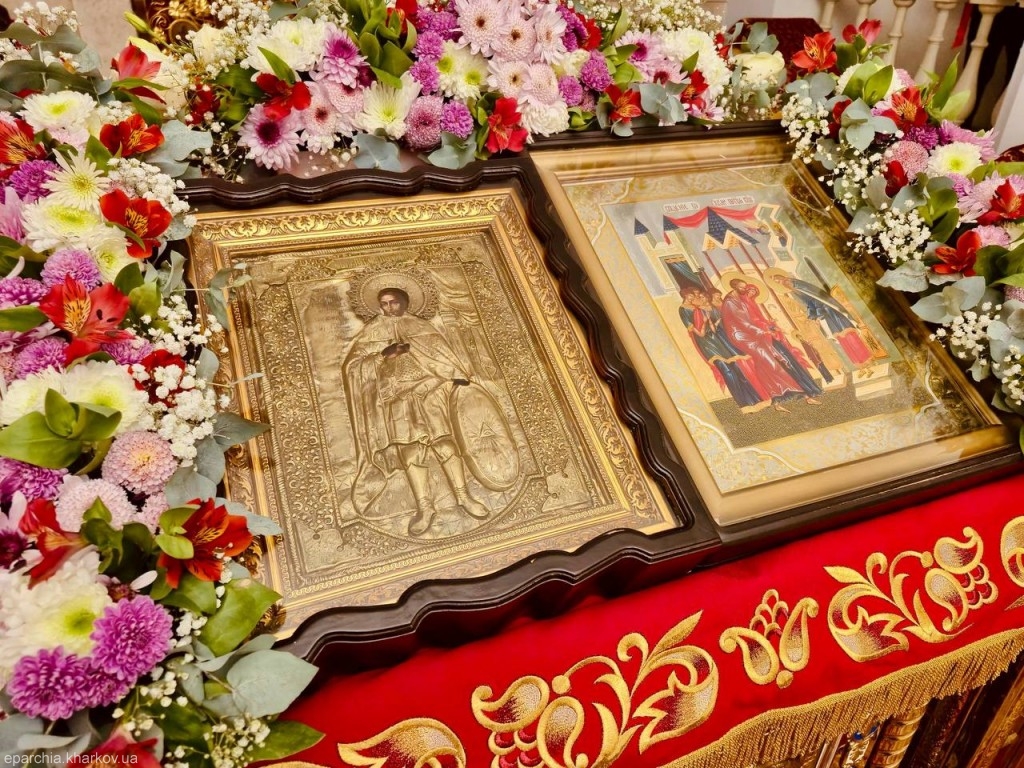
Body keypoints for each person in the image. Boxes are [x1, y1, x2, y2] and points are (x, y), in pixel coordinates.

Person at [343, 287, 490, 536]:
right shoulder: (372, 332)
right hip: (395, 398)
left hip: (430, 392)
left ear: (405, 302)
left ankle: (464, 497)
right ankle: (425, 508)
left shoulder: (423, 327)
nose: (389, 308)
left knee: (445, 444)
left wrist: (445, 379)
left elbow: (447, 361)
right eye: (384, 304)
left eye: (394, 302)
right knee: (410, 451)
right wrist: (382, 355)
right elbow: (352, 368)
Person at [720, 279, 822, 412]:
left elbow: (755, 320)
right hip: (748, 338)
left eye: (752, 291)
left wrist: (769, 326)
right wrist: (763, 330)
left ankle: (804, 394)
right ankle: (780, 399)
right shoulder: (732, 302)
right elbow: (743, 323)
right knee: (773, 363)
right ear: (735, 287)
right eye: (745, 289)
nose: (748, 292)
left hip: (761, 335)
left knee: (784, 360)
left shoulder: (744, 300)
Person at [679, 288, 763, 408]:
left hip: (716, 339)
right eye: (694, 296)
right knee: (727, 370)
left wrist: (712, 323)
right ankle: (743, 403)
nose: (696, 298)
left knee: (735, 367)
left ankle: (754, 398)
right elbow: (699, 332)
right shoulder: (685, 310)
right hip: (706, 343)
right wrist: (706, 325)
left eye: (698, 295)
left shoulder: (701, 309)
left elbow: (713, 326)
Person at [770, 274, 873, 367]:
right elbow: (809, 304)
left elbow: (819, 299)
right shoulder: (795, 292)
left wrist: (819, 314)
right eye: (780, 283)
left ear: (787, 279)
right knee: (842, 339)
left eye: (783, 281)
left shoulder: (801, 286)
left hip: (831, 312)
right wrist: (813, 317)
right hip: (826, 317)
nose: (784, 284)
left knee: (849, 335)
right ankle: (860, 364)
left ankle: (867, 360)